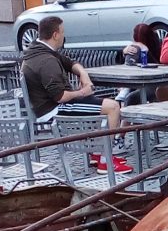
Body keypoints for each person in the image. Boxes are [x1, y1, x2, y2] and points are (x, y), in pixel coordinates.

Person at [20, 15, 131, 172]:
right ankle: (105, 160)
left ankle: (97, 153)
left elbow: (71, 63)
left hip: (50, 106)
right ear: (55, 35)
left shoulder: (39, 50)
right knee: (112, 107)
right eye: (63, 32)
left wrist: (83, 74)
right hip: (53, 111)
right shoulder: (46, 61)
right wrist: (82, 92)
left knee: (97, 103)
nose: (64, 35)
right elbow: (60, 97)